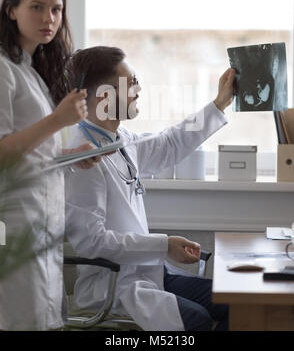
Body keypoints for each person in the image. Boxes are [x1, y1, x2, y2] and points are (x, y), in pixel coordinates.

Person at [65, 46, 235, 331]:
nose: (139, 89)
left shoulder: (119, 140)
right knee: (199, 321)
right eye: (131, 83)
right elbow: (91, 242)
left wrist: (218, 103)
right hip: (113, 288)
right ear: (105, 95)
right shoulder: (83, 157)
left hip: (147, 273)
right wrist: (163, 245)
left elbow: (170, 143)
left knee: (238, 302)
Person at [0, 0, 101, 331]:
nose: (49, 19)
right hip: (15, 222)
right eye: (37, 7)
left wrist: (71, 158)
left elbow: (32, 152)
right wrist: (58, 121)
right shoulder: (3, 69)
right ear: (11, 10)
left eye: (56, 10)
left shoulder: (31, 70)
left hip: (42, 220)